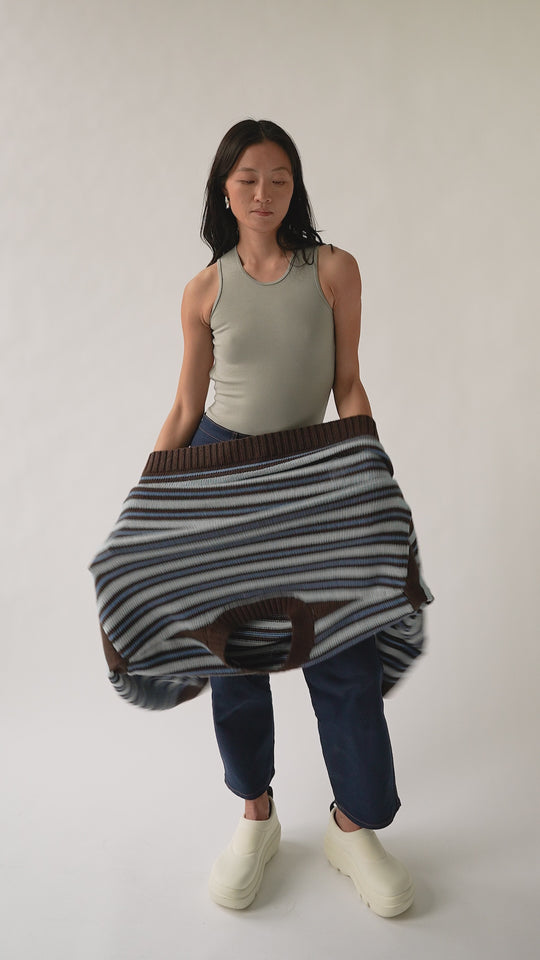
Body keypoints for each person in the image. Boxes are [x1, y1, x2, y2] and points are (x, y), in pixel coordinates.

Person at [152, 119, 414, 917]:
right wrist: (151, 495)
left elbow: (347, 381)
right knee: (233, 660)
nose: (263, 193)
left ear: (295, 188)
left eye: (279, 178)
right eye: (247, 180)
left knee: (345, 652)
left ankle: (351, 825)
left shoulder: (333, 270)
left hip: (309, 476)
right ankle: (256, 816)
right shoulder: (204, 290)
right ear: (224, 191)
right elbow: (186, 406)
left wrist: (368, 469)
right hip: (221, 478)